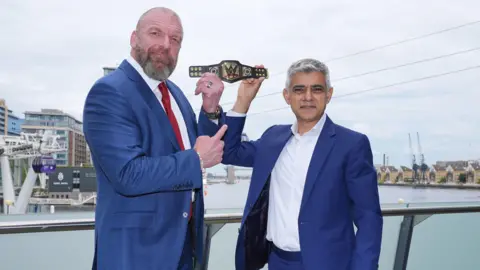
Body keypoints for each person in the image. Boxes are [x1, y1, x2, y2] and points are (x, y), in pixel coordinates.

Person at [83, 7, 227, 270]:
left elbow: (197, 149)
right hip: (137, 255)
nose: (165, 45)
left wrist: (211, 111)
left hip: (183, 248)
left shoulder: (175, 94)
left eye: (175, 39)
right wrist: (196, 159)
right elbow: (128, 173)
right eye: (155, 33)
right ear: (134, 39)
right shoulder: (109, 92)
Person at [222, 58, 383, 270]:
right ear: (287, 96)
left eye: (316, 89)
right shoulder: (273, 138)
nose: (308, 97)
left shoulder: (352, 145)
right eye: (299, 90)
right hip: (277, 262)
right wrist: (244, 100)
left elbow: (369, 219)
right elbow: (229, 152)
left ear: (329, 94)